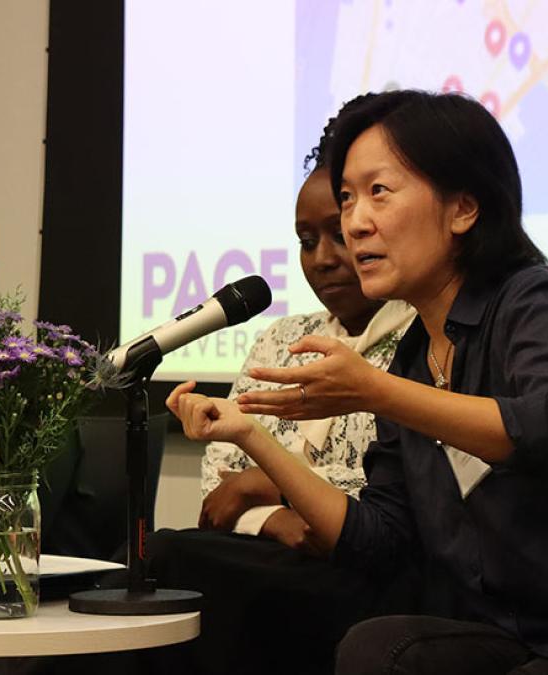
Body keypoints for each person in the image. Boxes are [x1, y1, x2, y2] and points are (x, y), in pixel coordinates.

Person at [167, 91, 548, 675]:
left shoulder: (535, 299)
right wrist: (254, 438)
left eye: (378, 192)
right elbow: (378, 539)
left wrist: (373, 392)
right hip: (527, 634)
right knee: (377, 647)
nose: (354, 223)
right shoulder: (411, 357)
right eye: (348, 199)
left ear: (464, 208)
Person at [145, 124, 417, 675]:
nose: (322, 258)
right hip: (276, 552)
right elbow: (217, 492)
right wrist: (272, 521)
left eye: (338, 234)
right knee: (165, 555)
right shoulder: (279, 338)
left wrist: (262, 482)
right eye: (306, 240)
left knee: (183, 564)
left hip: (370, 571)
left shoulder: (420, 341)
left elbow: (384, 493)